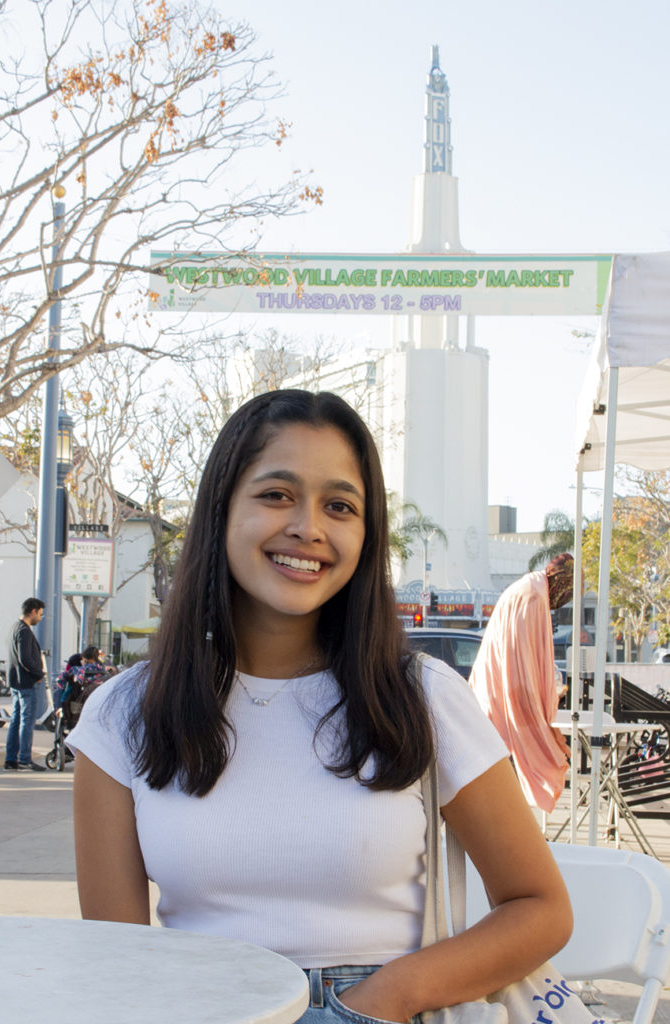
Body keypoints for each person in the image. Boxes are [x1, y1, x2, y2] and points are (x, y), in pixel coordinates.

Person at [69, 390, 572, 1024]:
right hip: (196, 1007)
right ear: (220, 512)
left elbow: (540, 906)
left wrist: (382, 999)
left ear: (366, 533)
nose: (309, 527)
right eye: (276, 495)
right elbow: (118, 958)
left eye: (339, 505)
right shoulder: (122, 714)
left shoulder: (423, 697)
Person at [469, 554, 575, 813]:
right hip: (503, 701)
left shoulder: (531, 588)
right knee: (508, 781)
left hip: (493, 696)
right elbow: (521, 664)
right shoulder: (533, 595)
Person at [4, 597, 48, 772]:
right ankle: (24, 758)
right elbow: (25, 658)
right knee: (26, 721)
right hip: (26, 683)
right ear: (33, 611)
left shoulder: (15, 628)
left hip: (16, 682)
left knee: (16, 721)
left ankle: (11, 759)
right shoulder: (24, 631)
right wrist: (39, 674)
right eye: (40, 614)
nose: (40, 617)